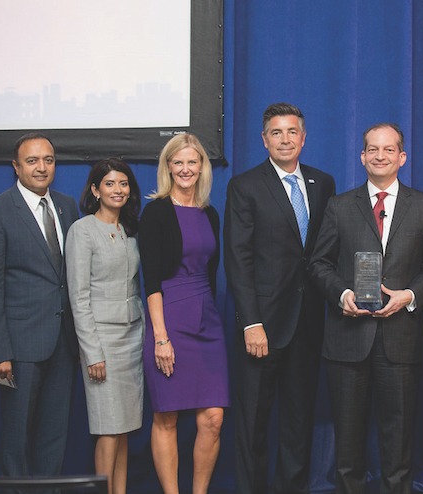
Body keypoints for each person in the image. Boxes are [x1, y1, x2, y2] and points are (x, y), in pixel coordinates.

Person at [310, 123, 423, 493]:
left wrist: (409, 295)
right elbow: (319, 264)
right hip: (347, 342)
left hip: (400, 342)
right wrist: (342, 295)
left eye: (389, 150)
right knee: (348, 448)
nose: (380, 156)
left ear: (402, 157)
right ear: (362, 157)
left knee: (399, 445)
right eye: (373, 149)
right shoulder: (339, 206)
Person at [224, 103, 335, 493]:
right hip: (263, 325)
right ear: (264, 139)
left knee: (298, 420)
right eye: (276, 132)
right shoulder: (245, 185)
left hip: (309, 322)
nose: (285, 139)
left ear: (303, 138)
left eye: (292, 132)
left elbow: (325, 253)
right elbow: (238, 259)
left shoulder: (324, 183)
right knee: (253, 420)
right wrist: (251, 322)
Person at [139, 133, 229, 494]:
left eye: (193, 162)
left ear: (202, 167)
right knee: (167, 416)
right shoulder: (157, 211)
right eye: (178, 162)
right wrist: (161, 337)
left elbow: (211, 271)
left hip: (207, 320)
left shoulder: (210, 213)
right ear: (168, 167)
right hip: (169, 319)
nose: (186, 169)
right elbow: (152, 280)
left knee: (213, 418)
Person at [0, 133, 79, 477]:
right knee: (17, 439)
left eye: (48, 160)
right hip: (19, 347)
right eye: (32, 161)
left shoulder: (67, 206)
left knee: (54, 438)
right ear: (16, 166)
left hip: (63, 343)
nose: (41, 167)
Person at [66, 158, 144, 494]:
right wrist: (92, 352)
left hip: (132, 338)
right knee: (108, 429)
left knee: (124, 429)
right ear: (95, 190)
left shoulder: (130, 229)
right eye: (110, 184)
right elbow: (78, 298)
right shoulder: (82, 231)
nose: (118, 190)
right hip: (102, 343)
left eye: (123, 183)